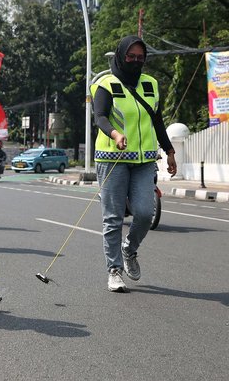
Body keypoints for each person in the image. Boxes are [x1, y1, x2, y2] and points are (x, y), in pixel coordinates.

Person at [91, 35, 177, 293]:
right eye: (131, 57)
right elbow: (100, 116)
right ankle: (114, 270)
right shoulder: (105, 83)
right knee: (113, 218)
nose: (136, 61)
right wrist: (115, 134)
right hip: (112, 159)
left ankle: (130, 250)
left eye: (140, 57)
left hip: (144, 160)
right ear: (121, 56)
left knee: (144, 213)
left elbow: (157, 121)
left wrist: (170, 151)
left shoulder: (151, 84)